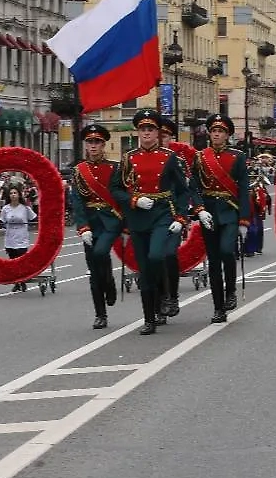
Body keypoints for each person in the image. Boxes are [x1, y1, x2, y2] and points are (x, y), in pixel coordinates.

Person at [110, 109, 191, 335]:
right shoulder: (128, 158)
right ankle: (150, 317)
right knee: (145, 270)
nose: (146, 133)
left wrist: (181, 217)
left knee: (158, 256)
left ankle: (166, 294)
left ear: (157, 133)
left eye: (151, 129)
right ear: (138, 132)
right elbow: (115, 189)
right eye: (143, 129)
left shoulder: (169, 157)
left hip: (163, 214)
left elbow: (184, 192)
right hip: (139, 218)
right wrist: (134, 199)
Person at [191, 114, 250, 324]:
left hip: (229, 211)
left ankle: (231, 290)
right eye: (214, 131)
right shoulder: (200, 157)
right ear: (209, 133)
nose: (217, 134)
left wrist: (244, 219)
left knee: (227, 251)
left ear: (227, 135)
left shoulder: (238, 156)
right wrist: (199, 209)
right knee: (214, 263)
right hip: (209, 213)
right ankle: (218, 307)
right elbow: (194, 186)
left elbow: (243, 189)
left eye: (221, 131)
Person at [70, 124, 122, 329]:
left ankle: (109, 280)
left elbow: (119, 196)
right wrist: (83, 227)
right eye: (90, 142)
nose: (93, 146)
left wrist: (125, 222)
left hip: (110, 220)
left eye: (97, 142)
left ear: (103, 144)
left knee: (101, 253)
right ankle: (100, 314)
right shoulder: (79, 171)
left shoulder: (114, 168)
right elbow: (77, 201)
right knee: (93, 269)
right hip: (91, 222)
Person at [157, 117, 198, 319]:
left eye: (165, 136)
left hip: (172, 215)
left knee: (168, 255)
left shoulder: (177, 162)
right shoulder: (139, 159)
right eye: (159, 135)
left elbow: (186, 190)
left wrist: (184, 214)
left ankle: (171, 295)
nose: (161, 139)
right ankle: (159, 300)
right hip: (148, 217)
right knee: (152, 260)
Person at [1, 186, 37, 293]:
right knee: (13, 261)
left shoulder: (25, 208)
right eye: (11, 193)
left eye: (15, 193)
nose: (13, 195)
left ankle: (23, 281)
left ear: (19, 195)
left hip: (21, 237)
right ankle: (17, 282)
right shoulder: (5, 208)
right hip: (10, 238)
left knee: (21, 260)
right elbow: (2, 221)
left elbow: (34, 218)